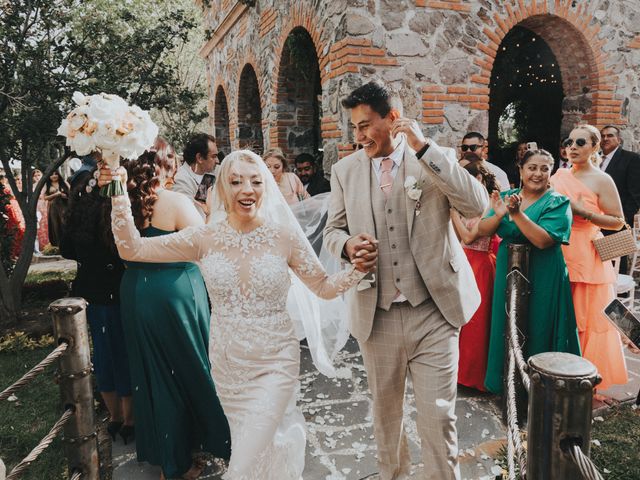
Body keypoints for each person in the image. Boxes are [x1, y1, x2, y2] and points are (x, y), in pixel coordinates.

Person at [102, 149, 372, 480]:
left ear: (267, 186)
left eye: (256, 181)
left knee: (241, 464)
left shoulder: (283, 237)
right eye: (236, 181)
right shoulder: (205, 237)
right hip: (229, 367)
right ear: (222, 189)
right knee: (255, 446)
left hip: (276, 361)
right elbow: (132, 249)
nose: (247, 189)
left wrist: (356, 270)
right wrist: (117, 191)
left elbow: (324, 287)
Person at [324, 81, 488, 480]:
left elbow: (477, 206)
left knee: (438, 420)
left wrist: (425, 149)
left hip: (434, 312)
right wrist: (347, 246)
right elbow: (331, 231)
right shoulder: (344, 170)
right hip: (376, 316)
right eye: (354, 128)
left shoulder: (435, 158)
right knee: (386, 421)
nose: (358, 136)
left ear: (393, 119)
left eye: (365, 126)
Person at [116, 138, 231, 480]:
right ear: (165, 164)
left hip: (136, 291)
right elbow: (202, 247)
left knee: (153, 376)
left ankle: (170, 455)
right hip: (174, 293)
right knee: (188, 370)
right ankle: (182, 461)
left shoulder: (122, 203)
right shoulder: (176, 201)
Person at [478, 149, 581, 394]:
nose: (537, 173)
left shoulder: (558, 202)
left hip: (543, 271)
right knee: (507, 321)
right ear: (521, 170)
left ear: (551, 172)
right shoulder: (506, 196)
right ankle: (507, 385)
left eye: (544, 168)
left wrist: (517, 215)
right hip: (507, 267)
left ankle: (540, 389)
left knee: (540, 323)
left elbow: (544, 240)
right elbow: (484, 229)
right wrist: (501, 214)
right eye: (532, 167)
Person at [550, 125, 628, 394]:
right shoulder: (559, 175)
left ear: (595, 147)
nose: (572, 146)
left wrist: (583, 211)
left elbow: (618, 222)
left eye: (580, 142)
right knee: (559, 315)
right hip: (557, 249)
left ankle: (583, 379)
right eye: (569, 141)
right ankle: (555, 372)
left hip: (586, 254)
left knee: (583, 319)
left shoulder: (601, 179)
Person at [60, 165, 134, 443]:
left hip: (89, 293)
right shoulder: (111, 215)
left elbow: (66, 249)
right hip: (116, 293)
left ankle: (114, 417)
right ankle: (130, 419)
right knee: (123, 354)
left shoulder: (76, 215)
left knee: (103, 356)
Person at [450, 161, 499, 391]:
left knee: (476, 322)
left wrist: (453, 214)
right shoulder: (462, 202)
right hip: (462, 260)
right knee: (459, 317)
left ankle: (474, 377)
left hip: (480, 263)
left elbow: (469, 237)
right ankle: (457, 372)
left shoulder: (489, 205)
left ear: (481, 180)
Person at [173, 133, 219, 218]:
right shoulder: (181, 182)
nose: (217, 161)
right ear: (200, 158)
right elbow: (187, 218)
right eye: (214, 156)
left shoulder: (210, 173)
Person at [43, 169, 69, 247]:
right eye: (52, 174)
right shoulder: (47, 185)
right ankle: (58, 245)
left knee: (65, 224)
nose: (54, 176)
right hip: (53, 208)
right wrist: (55, 195)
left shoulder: (64, 183)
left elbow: (70, 194)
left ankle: (68, 243)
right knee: (56, 225)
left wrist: (64, 195)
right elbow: (45, 198)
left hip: (64, 207)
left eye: (56, 174)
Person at [32, 169, 49, 251]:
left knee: (47, 223)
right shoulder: (32, 186)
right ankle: (42, 245)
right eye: (35, 176)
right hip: (37, 206)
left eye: (38, 175)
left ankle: (49, 243)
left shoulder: (46, 184)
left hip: (45, 204)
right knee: (40, 225)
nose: (37, 177)